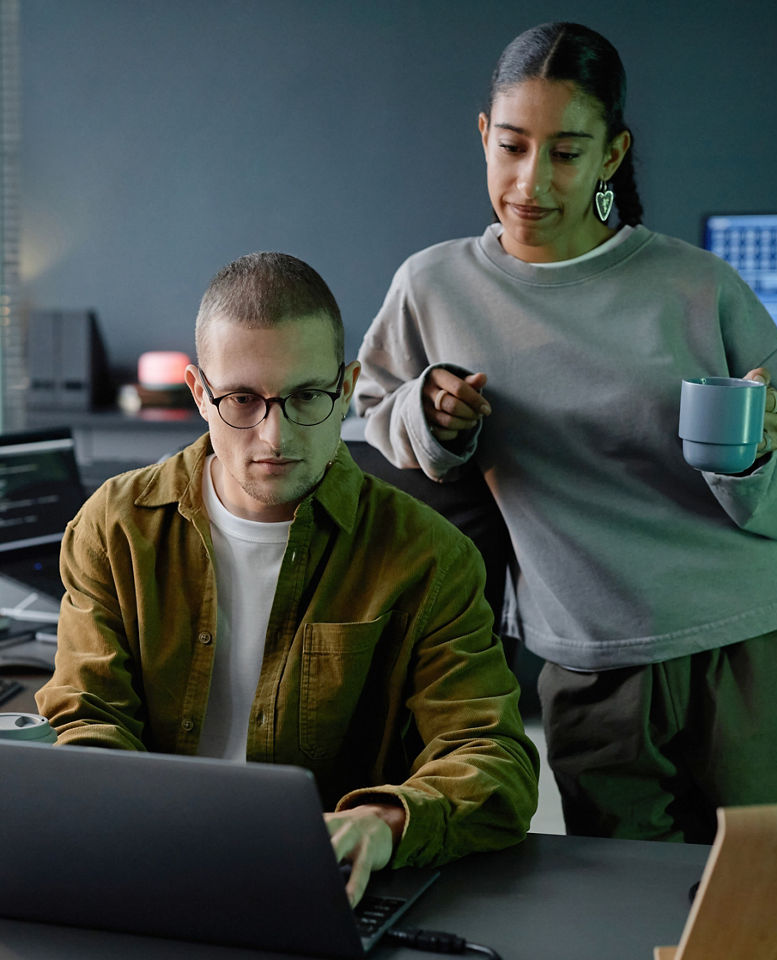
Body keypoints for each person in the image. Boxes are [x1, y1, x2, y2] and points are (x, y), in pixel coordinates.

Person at [354, 22, 777, 843]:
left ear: (612, 154)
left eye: (566, 153)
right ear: (485, 136)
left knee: (762, 905)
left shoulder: (699, 285)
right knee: (622, 907)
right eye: (514, 147)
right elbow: (378, 413)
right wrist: (432, 412)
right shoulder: (434, 284)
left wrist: (760, 452)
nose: (532, 183)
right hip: (588, 657)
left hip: (752, 643)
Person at [35, 251, 538, 906]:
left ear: (348, 386)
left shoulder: (428, 556)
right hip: (147, 869)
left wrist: (381, 824)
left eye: (305, 396)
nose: (274, 437)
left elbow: (492, 757)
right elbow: (85, 716)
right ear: (199, 395)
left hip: (325, 891)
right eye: (243, 399)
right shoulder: (116, 526)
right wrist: (127, 822)